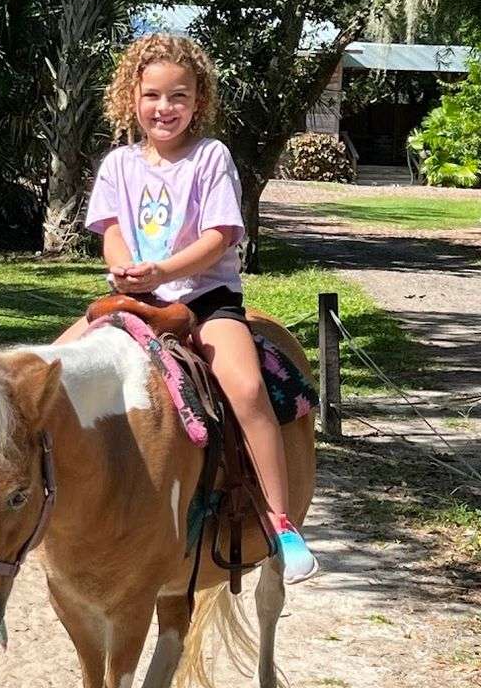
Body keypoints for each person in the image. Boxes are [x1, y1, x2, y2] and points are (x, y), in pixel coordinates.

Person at [59, 33, 318, 585]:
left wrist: (164, 271)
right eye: (152, 95)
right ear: (132, 97)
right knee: (47, 368)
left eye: (178, 96)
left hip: (205, 301)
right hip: (137, 297)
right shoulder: (118, 165)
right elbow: (110, 232)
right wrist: (129, 271)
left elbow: (220, 235)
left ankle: (281, 522)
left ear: (198, 101)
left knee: (246, 391)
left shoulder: (210, 158)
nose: (164, 107)